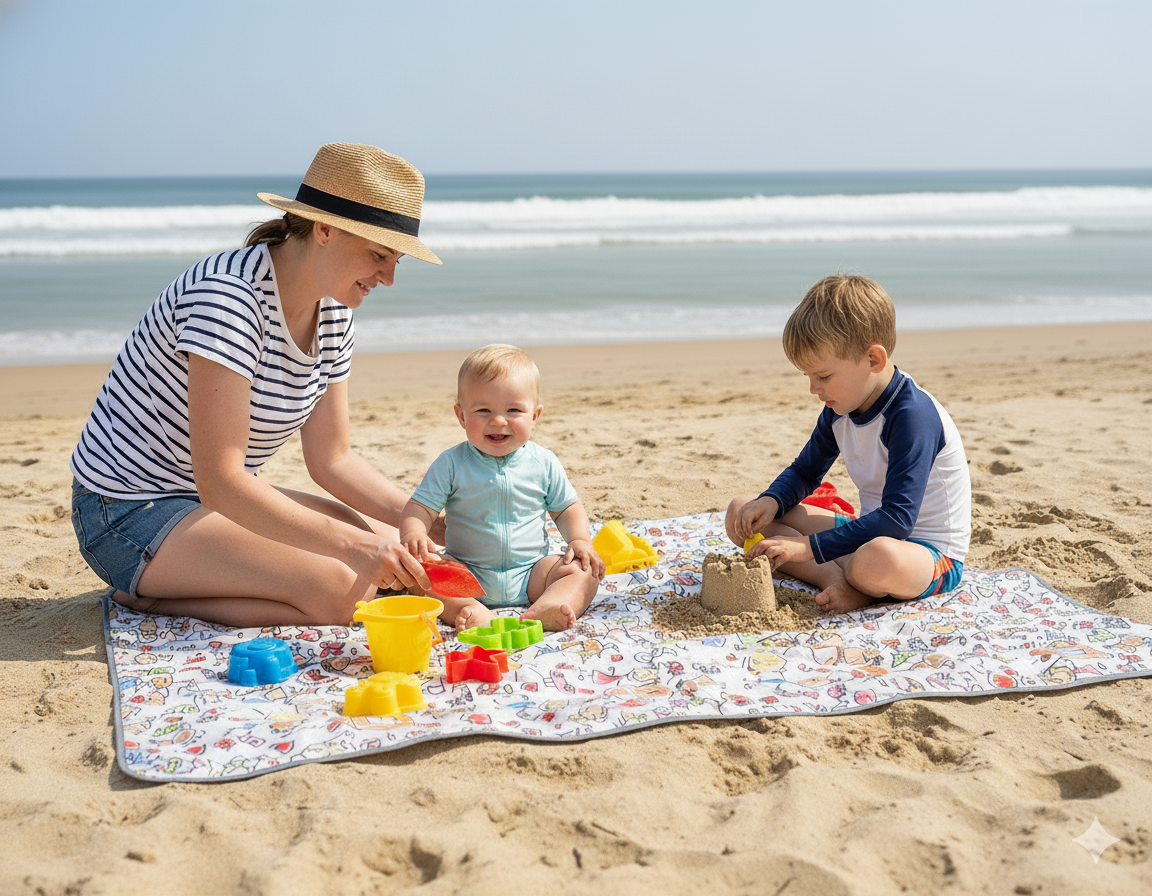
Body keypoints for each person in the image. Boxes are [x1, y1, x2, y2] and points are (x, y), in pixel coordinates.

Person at [70, 143, 445, 627]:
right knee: (344, 590)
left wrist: (429, 518)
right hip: (125, 511)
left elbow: (333, 461)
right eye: (378, 255)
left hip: (206, 504)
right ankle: (147, 600)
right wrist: (355, 546)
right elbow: (222, 481)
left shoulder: (334, 313)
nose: (389, 278)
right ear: (325, 229)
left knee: (388, 544)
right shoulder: (229, 299)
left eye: (397, 260)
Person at [726, 275, 971, 615]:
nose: (814, 389)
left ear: (873, 360)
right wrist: (772, 499)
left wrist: (806, 547)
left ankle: (857, 582)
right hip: (871, 532)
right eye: (808, 377)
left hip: (925, 554)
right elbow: (806, 471)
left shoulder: (912, 416)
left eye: (823, 376)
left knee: (876, 559)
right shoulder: (840, 408)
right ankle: (835, 581)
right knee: (742, 512)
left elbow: (898, 519)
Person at [400, 344, 604, 632]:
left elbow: (567, 508)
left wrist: (580, 540)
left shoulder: (543, 462)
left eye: (513, 410)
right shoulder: (452, 463)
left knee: (584, 570)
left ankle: (548, 605)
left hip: (533, 572)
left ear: (534, 416)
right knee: (421, 575)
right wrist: (414, 532)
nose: (498, 420)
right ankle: (469, 609)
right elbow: (419, 507)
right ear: (461, 416)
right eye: (483, 410)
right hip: (468, 574)